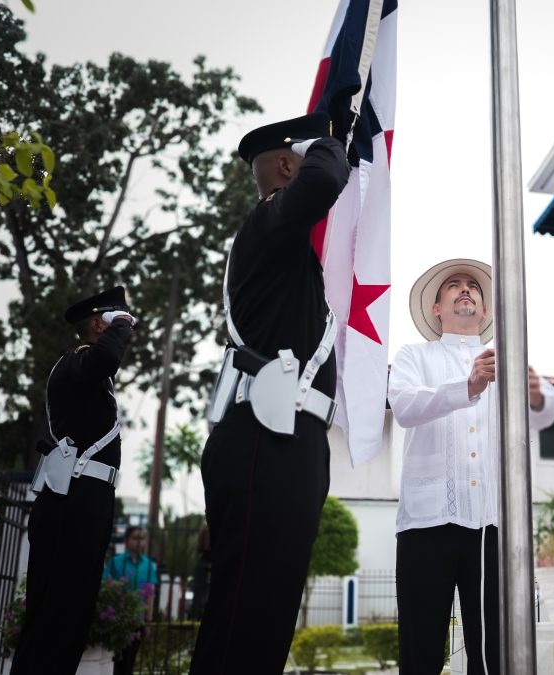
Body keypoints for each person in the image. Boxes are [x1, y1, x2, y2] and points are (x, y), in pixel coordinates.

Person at [190, 111, 349, 674]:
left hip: (288, 438)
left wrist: (324, 140)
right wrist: (330, 137)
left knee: (268, 612)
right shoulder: (267, 223)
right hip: (266, 438)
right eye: (305, 156)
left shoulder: (282, 243)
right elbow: (327, 180)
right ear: (288, 165)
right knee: (247, 613)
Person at [388, 259, 554, 675]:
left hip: (491, 525)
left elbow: (546, 413)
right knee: (421, 647)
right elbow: (405, 407)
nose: (465, 289)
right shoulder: (413, 356)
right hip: (426, 521)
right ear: (436, 308)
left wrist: (537, 396)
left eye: (473, 287)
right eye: (453, 285)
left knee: (494, 651)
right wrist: (467, 386)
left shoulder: (508, 358)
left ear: (484, 310)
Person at [11, 287, 135, 675]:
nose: (129, 330)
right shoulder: (79, 361)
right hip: (74, 502)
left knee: (72, 614)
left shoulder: (88, 371)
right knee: (59, 614)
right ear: (100, 323)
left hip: (86, 499)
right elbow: (107, 358)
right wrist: (122, 325)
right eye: (118, 320)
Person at [102, 525, 158, 675]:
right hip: (117, 620)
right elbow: (106, 588)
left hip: (137, 621)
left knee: (129, 663)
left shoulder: (149, 565)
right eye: (135, 538)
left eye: (142, 538)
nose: (139, 542)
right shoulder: (116, 561)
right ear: (127, 540)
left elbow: (150, 595)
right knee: (114, 663)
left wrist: (149, 622)